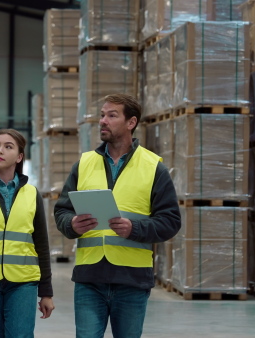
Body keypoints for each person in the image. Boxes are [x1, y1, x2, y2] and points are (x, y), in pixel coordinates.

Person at [54, 94, 181, 338]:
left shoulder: (154, 167)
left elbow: (171, 221)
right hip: (89, 278)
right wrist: (71, 224)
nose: (103, 121)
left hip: (131, 280)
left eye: (112, 116)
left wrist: (134, 228)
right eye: (102, 115)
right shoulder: (84, 164)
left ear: (131, 122)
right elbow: (62, 210)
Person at [0, 129, 55, 338]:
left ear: (20, 156)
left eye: (8, 146)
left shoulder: (32, 194)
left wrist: (46, 292)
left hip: (23, 283)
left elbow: (41, 244)